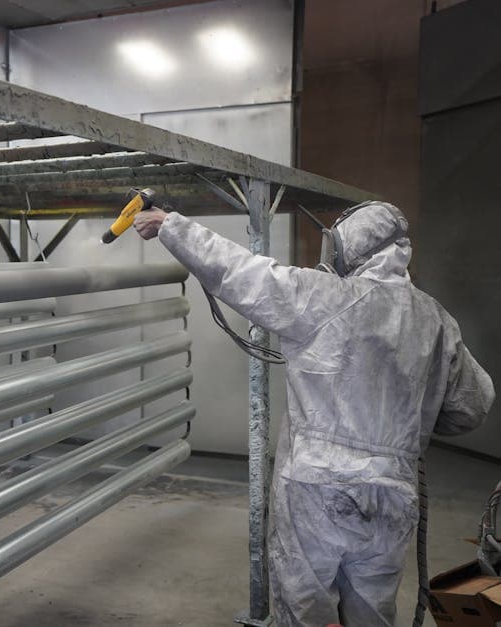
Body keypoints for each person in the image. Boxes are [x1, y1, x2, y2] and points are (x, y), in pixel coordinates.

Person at [133, 202, 495, 627]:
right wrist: (404, 426)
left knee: (303, 610)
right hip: (393, 494)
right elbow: (473, 406)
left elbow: (240, 271)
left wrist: (171, 226)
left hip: (316, 490)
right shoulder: (437, 320)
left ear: (352, 249)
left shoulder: (322, 296)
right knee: (373, 612)